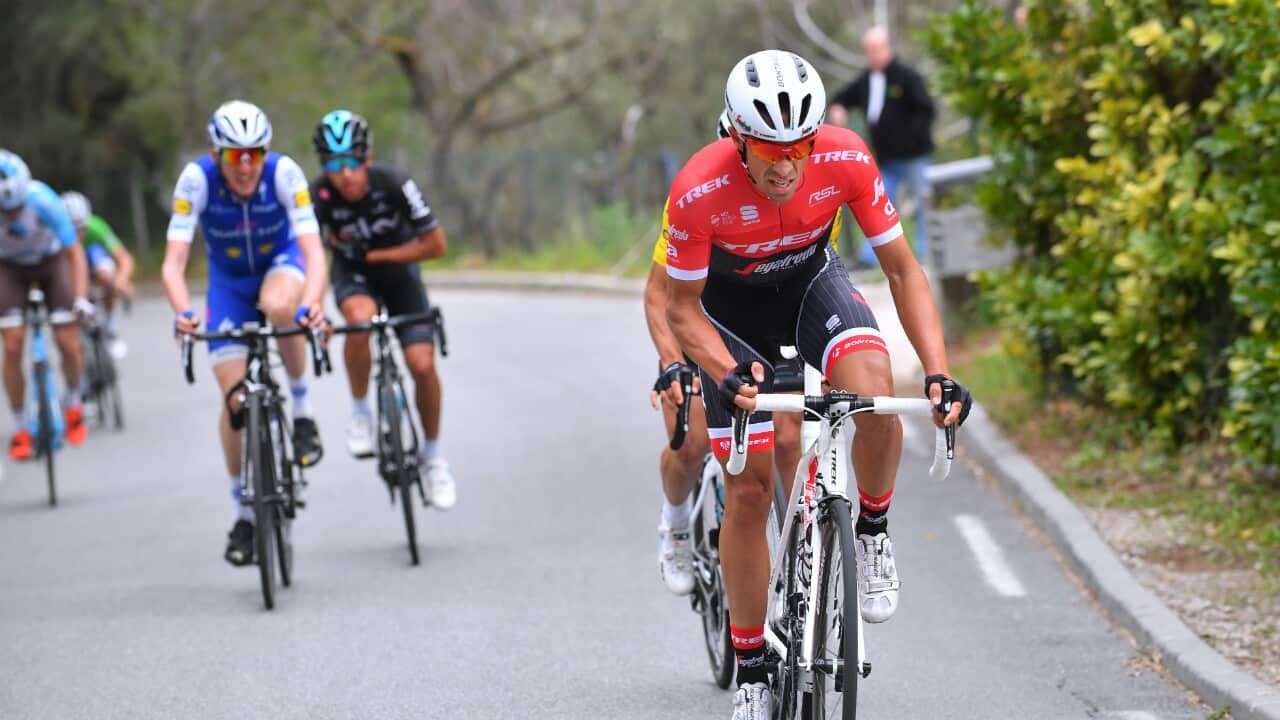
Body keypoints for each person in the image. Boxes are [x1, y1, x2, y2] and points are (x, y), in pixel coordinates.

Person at [664, 50, 972, 718]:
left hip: (811, 285)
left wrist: (939, 371)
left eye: (799, 147)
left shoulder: (847, 157)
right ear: (737, 138)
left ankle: (872, 529)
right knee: (749, 491)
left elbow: (903, 270)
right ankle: (752, 670)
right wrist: (721, 371)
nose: (786, 166)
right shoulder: (696, 188)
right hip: (729, 316)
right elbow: (679, 308)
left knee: (875, 394)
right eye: (769, 150)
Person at [646, 110, 820, 596]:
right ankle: (676, 521)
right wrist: (672, 363)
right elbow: (659, 294)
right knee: (692, 442)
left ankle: (799, 553)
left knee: (788, 434)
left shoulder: (800, 192)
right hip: (701, 324)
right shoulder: (697, 197)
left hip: (765, 324)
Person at [161, 100, 328, 566]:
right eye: (235, 155)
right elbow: (173, 265)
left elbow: (315, 254)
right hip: (229, 286)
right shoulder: (196, 180)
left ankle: (302, 410)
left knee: (281, 307)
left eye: (255, 153)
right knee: (234, 403)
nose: (246, 166)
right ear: (216, 154)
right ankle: (243, 513)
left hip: (281, 264)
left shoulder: (285, 173)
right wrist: (182, 313)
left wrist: (312, 304)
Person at [309, 110, 456, 508]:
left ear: (367, 157)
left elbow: (437, 245)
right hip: (353, 277)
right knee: (359, 323)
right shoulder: (318, 197)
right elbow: (311, 257)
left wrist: (378, 256)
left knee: (422, 365)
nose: (345, 174)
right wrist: (314, 308)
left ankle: (433, 458)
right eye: (334, 165)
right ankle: (361, 413)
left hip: (399, 272)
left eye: (352, 161)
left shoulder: (395, 183)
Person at [0, 149, 93, 459]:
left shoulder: (44, 200)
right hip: (9, 268)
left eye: (17, 207)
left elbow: (74, 253)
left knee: (68, 341)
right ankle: (21, 428)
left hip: (51, 263)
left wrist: (81, 298)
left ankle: (74, 404)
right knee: (12, 344)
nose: (13, 215)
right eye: (5, 210)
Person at [828, 26, 936, 266]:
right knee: (877, 205)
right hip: (887, 160)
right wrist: (839, 108)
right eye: (869, 50)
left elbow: (926, 109)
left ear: (888, 48)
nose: (873, 54)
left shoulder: (907, 76)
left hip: (915, 158)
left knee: (923, 204)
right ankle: (870, 258)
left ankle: (927, 255)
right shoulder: (866, 80)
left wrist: (911, 139)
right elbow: (842, 97)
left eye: (877, 48)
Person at [59, 191, 135, 358]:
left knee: (106, 275)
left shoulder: (96, 227)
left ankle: (110, 326)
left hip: (93, 259)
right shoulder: (55, 233)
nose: (78, 233)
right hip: (69, 265)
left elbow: (124, 259)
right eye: (72, 228)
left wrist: (121, 280)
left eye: (81, 227)